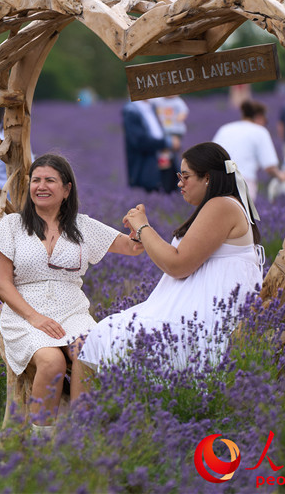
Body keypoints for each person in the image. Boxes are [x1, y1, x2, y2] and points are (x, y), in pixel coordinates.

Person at [78, 142, 264, 374]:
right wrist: (143, 235)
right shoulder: (220, 205)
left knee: (104, 336)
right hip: (197, 308)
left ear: (207, 177)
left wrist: (144, 227)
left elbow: (177, 265)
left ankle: (81, 409)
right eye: (179, 175)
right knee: (101, 336)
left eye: (185, 176)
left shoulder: (221, 205)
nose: (179, 183)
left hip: (204, 315)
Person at [0, 153, 141, 432]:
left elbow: (132, 247)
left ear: (67, 189)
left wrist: (139, 225)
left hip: (72, 310)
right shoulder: (12, 225)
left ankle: (81, 435)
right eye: (36, 180)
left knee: (88, 351)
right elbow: (2, 283)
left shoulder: (82, 226)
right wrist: (34, 317)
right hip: (25, 312)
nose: (41, 186)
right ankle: (42, 444)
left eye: (50, 180)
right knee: (51, 361)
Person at [213, 100, 285, 199]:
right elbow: (269, 166)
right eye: (265, 121)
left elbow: (211, 155)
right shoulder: (260, 131)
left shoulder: (224, 129)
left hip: (218, 182)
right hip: (243, 181)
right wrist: (281, 176)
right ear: (258, 117)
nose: (265, 124)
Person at [122, 100, 168, 192]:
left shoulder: (154, 107)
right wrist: (167, 142)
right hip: (145, 168)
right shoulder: (131, 111)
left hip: (163, 162)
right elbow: (140, 142)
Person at [151, 95, 189, 193]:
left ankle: (168, 183)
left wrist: (180, 117)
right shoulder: (158, 100)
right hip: (164, 132)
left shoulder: (177, 101)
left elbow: (184, 112)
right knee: (167, 156)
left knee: (167, 155)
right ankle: (169, 182)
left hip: (174, 131)